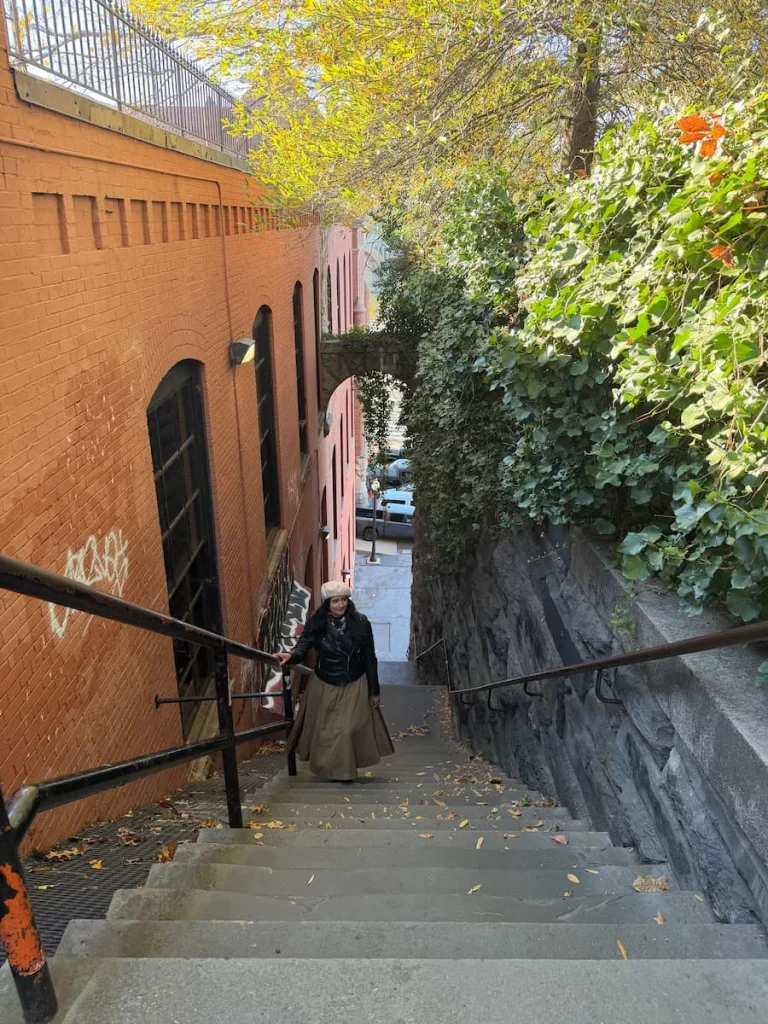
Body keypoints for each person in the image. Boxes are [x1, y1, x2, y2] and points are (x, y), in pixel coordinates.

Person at [275, 580, 394, 782]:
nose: (340, 605)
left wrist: (374, 690)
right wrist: (291, 656)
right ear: (327, 603)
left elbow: (369, 657)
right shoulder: (317, 623)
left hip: (354, 681)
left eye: (344, 600)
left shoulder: (361, 622)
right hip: (325, 682)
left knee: (346, 730)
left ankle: (343, 772)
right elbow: (303, 646)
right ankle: (332, 769)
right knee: (326, 731)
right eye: (335, 601)